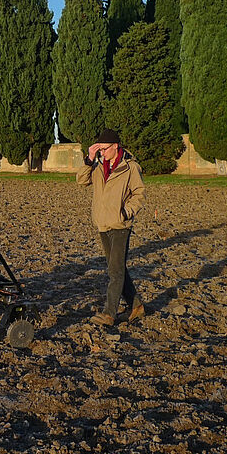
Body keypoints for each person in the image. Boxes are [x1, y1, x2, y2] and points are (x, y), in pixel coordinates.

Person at [77, 129, 146, 326]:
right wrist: (89, 159)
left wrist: (125, 213)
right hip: (103, 223)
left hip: (120, 225)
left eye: (104, 149)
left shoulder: (130, 167)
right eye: (99, 150)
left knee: (115, 272)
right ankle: (136, 306)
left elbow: (139, 194)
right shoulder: (98, 166)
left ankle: (109, 313)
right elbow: (81, 181)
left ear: (115, 146)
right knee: (116, 268)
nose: (102, 153)